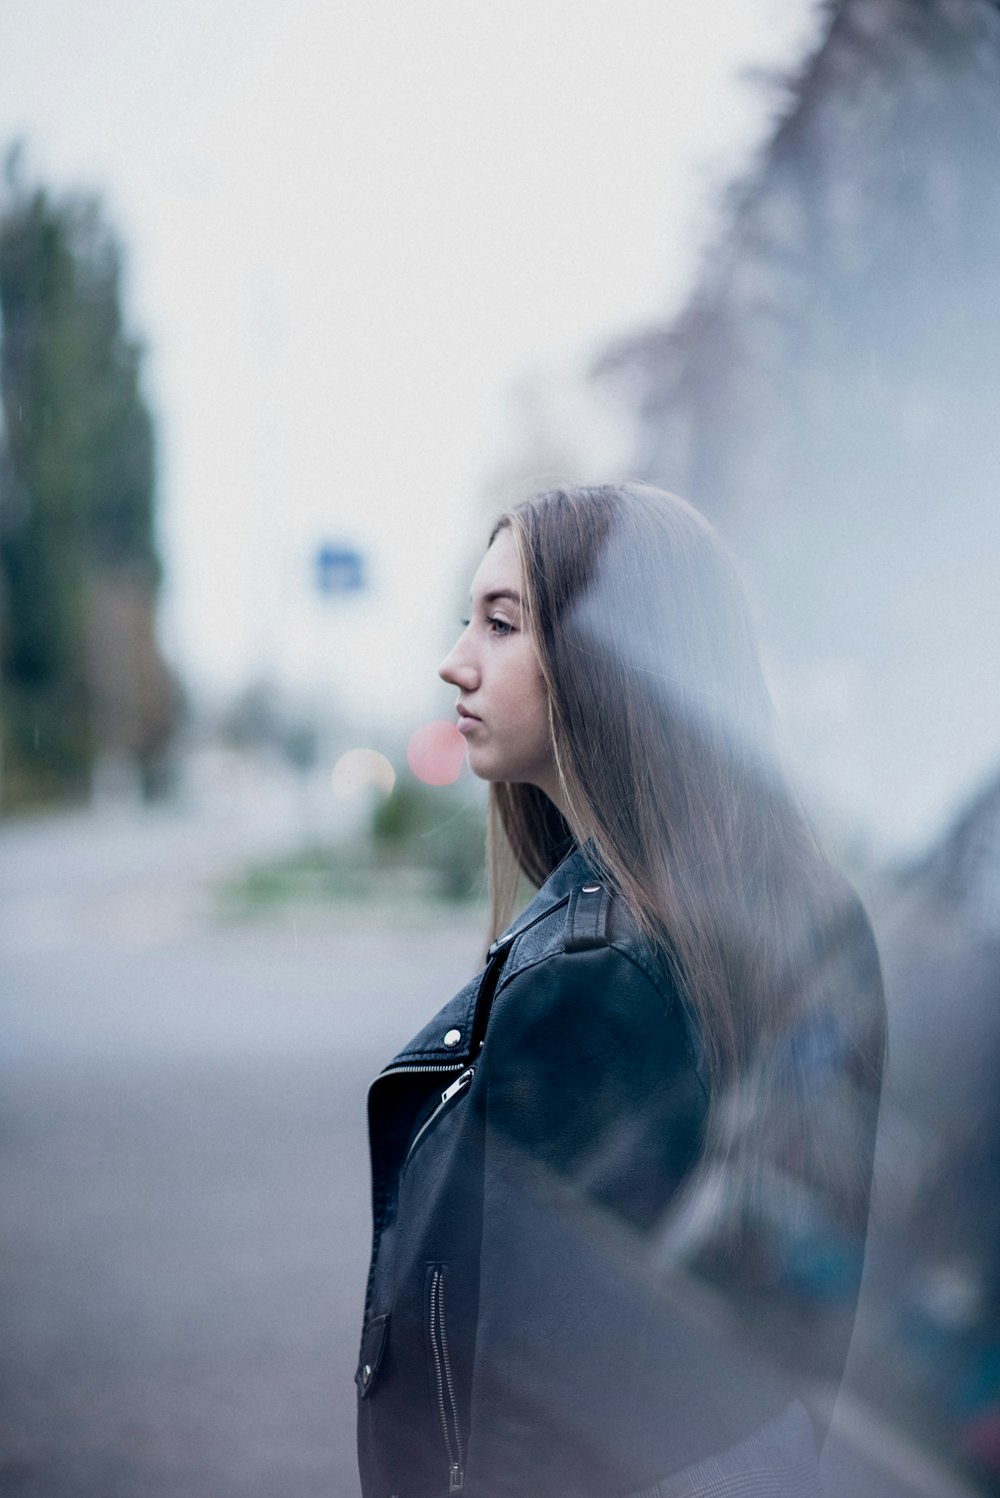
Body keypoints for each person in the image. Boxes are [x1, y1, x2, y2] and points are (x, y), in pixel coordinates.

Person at [355, 483, 886, 1498]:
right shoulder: (800, 916)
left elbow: (535, 1432)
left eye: (501, 623)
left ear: (614, 655)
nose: (454, 659)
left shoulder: (592, 980)